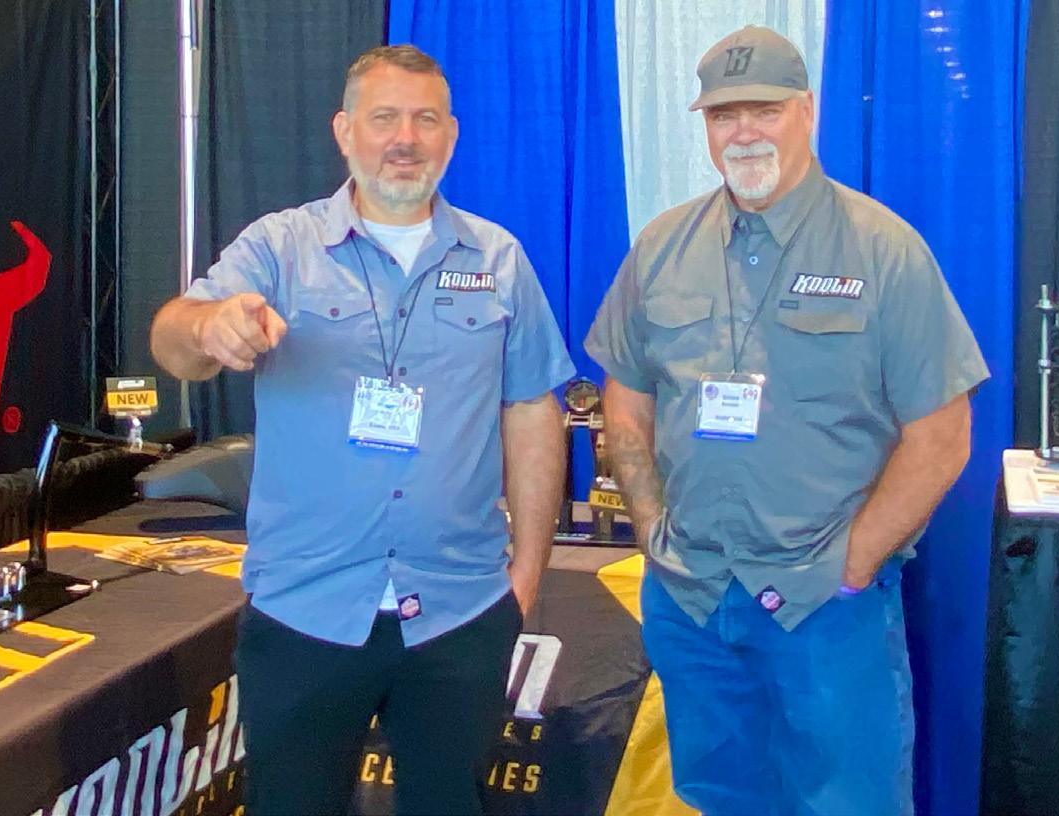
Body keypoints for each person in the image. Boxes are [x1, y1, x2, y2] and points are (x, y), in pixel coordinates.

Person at [150, 45, 574, 816]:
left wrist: (527, 577)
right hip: (303, 614)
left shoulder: (498, 260)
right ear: (345, 131)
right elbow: (173, 339)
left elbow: (532, 410)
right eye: (384, 118)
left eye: (425, 119)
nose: (404, 138)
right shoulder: (279, 247)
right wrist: (209, 327)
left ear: (451, 135)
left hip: (459, 613)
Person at [585, 25, 989, 816]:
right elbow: (625, 397)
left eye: (764, 109)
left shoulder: (884, 251)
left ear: (807, 110)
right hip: (695, 602)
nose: (743, 132)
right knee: (721, 799)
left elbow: (943, 437)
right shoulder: (662, 247)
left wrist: (852, 565)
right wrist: (651, 526)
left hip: (824, 609)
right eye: (722, 114)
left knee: (848, 805)